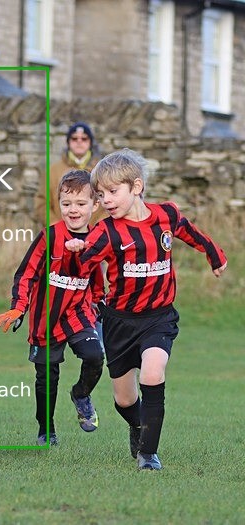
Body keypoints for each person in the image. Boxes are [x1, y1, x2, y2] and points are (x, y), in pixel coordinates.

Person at [65, 149, 226, 470]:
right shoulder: (106, 231)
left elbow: (193, 234)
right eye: (101, 195)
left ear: (136, 187)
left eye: (113, 192)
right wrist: (76, 249)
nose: (107, 200)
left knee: (153, 373)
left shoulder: (166, 215)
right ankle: (137, 425)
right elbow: (80, 268)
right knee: (124, 400)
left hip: (159, 318)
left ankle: (148, 454)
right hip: (119, 322)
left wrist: (215, 255)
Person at [0, 170, 106, 446]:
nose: (73, 210)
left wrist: (101, 302)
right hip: (48, 318)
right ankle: (47, 430)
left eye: (81, 204)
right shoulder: (49, 236)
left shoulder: (98, 239)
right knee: (47, 376)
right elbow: (27, 274)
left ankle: (81, 394)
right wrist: (19, 307)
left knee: (94, 356)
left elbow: (98, 276)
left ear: (95, 205)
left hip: (79, 313)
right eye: (66, 203)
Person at [35, 122, 104, 226]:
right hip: (62, 236)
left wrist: (99, 228)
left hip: (97, 235)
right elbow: (42, 203)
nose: (79, 142)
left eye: (84, 139)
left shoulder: (103, 171)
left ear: (90, 143)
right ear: (68, 142)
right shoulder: (52, 171)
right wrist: (56, 226)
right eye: (74, 138)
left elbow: (109, 201)